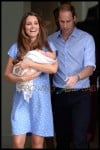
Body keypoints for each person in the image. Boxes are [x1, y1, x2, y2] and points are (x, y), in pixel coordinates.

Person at [4, 11, 58, 149]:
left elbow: (53, 69)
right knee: (17, 143)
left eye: (35, 23)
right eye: (29, 24)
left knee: (37, 143)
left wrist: (29, 64)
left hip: (41, 100)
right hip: (21, 100)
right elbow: (7, 74)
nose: (32, 26)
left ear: (39, 26)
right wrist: (22, 77)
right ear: (24, 28)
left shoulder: (48, 47)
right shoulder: (15, 47)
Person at [48, 3, 96, 149]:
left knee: (79, 139)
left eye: (68, 21)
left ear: (74, 18)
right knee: (62, 139)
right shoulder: (50, 40)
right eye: (62, 21)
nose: (65, 25)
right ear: (58, 20)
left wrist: (77, 77)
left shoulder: (86, 39)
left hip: (81, 95)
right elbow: (45, 66)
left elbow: (90, 68)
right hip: (59, 94)